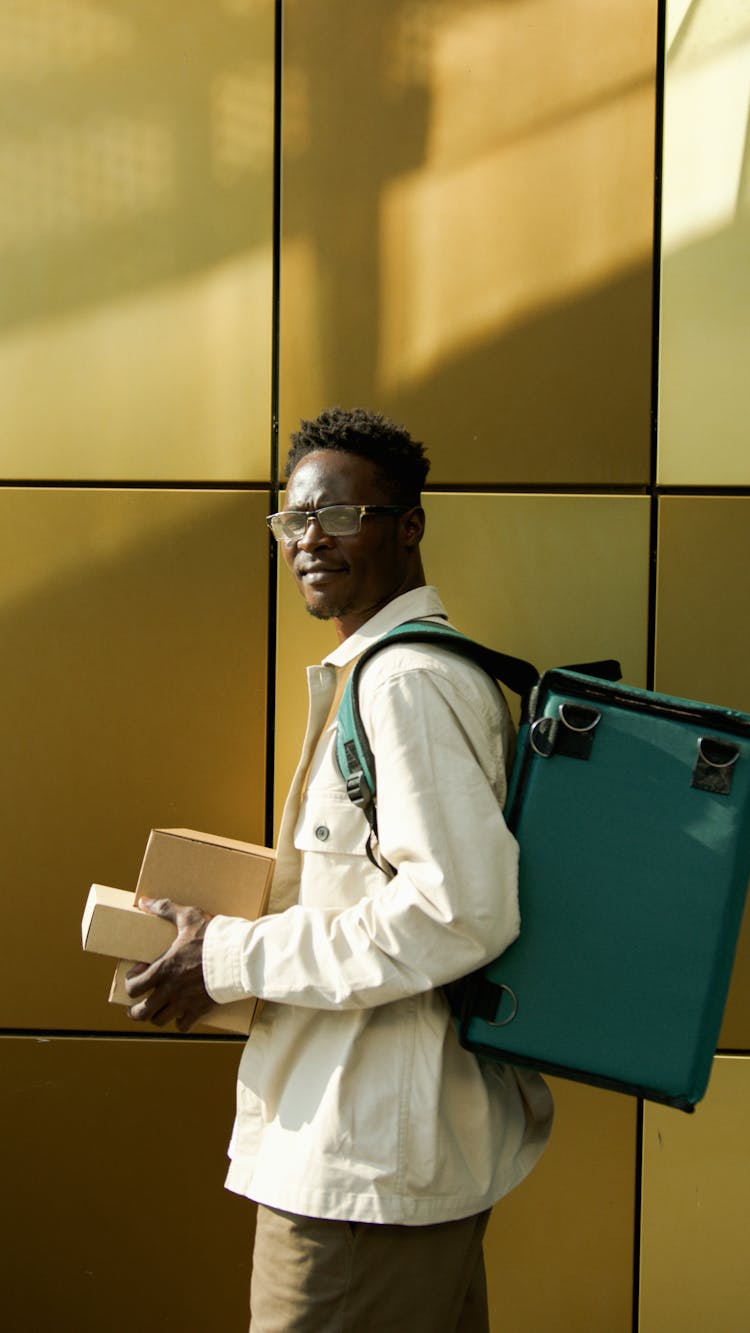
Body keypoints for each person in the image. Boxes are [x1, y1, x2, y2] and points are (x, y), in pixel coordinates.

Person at [126, 407, 553, 1332]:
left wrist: (232, 959)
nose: (310, 539)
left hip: (358, 1179)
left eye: (341, 516)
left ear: (409, 526)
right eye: (292, 521)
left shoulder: (406, 685)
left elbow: (457, 912)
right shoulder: (388, 677)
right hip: (374, 1163)